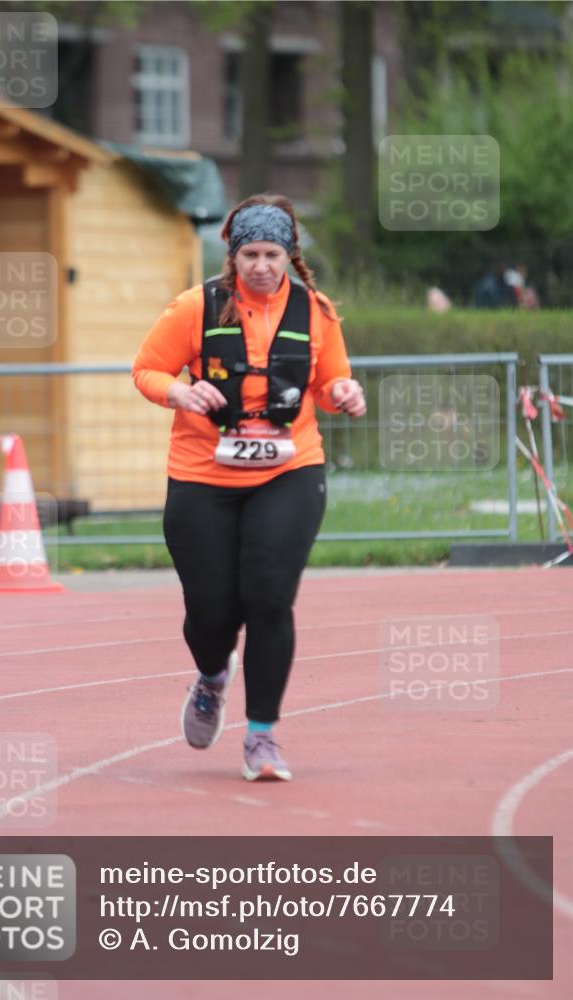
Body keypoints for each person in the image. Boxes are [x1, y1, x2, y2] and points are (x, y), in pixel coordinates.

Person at [132, 193, 366, 781]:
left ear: (290, 254)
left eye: (272, 254)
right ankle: (213, 676)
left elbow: (332, 379)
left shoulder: (317, 311)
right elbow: (147, 369)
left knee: (268, 597)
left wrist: (344, 395)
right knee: (210, 611)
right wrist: (179, 392)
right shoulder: (195, 307)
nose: (261, 266)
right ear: (232, 256)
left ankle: (261, 736)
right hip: (202, 474)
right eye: (250, 255)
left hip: (289, 471)